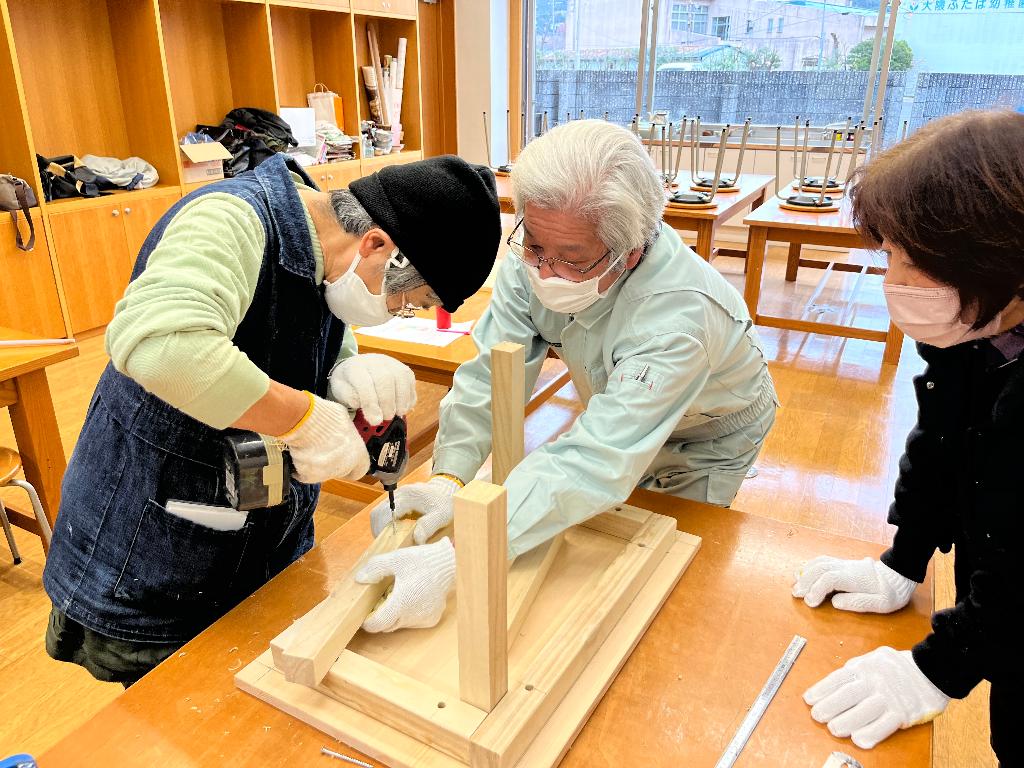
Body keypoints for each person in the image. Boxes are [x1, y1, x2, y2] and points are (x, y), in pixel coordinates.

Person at [42, 152, 501, 685]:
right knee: (180, 709)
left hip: (261, 541)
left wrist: (345, 371)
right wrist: (305, 419)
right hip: (156, 553)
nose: (398, 313)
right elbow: (163, 346)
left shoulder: (327, 253)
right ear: (377, 245)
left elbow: (294, 334)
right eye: (408, 301)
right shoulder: (228, 221)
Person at [353, 119, 778, 633]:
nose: (544, 269)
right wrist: (450, 476)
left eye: (572, 261)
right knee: (578, 525)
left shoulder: (678, 319)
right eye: (534, 246)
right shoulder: (542, 249)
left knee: (662, 578)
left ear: (630, 252)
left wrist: (459, 555)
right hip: (618, 399)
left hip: (704, 434)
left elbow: (599, 458)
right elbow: (492, 373)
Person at [791, 110, 1024, 765]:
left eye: (910, 259)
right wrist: (905, 557)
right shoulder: (978, 325)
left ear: (996, 260)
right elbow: (942, 440)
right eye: (890, 254)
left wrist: (941, 664)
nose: (893, 280)